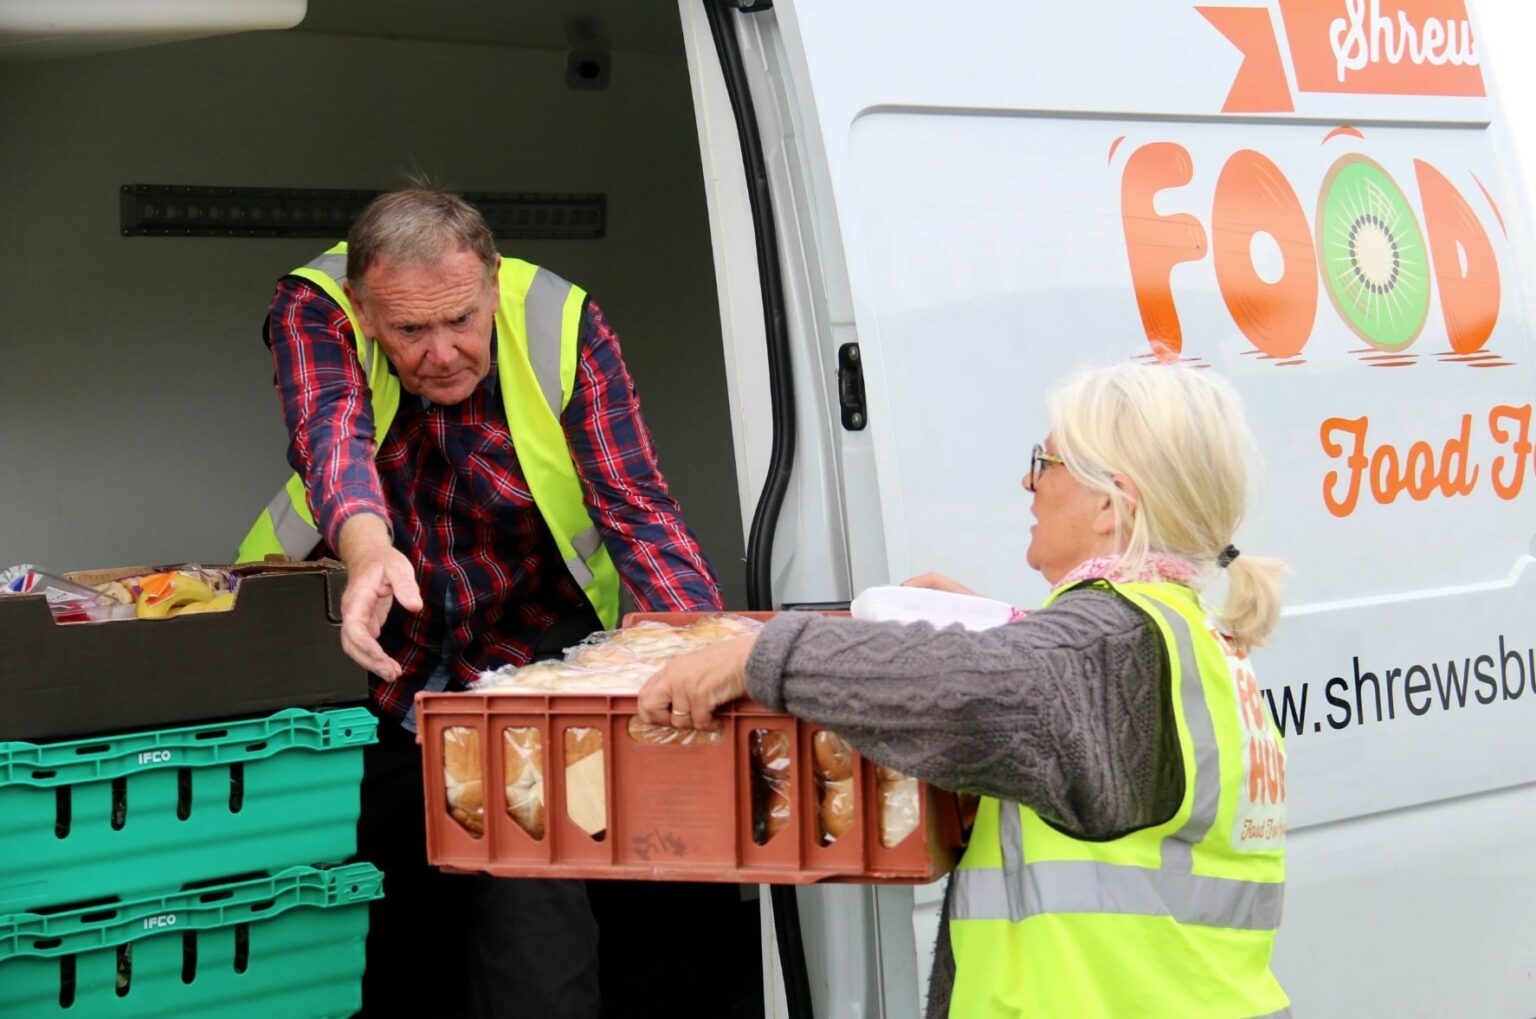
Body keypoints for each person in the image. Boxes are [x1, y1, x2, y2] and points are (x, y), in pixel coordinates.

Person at [638, 362, 1292, 1018]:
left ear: (1110, 503)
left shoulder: (1106, 647)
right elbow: (1085, 711)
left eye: (1047, 461)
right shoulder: (1188, 633)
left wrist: (761, 653)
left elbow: (965, 695)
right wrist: (1008, 629)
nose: (1028, 481)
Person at [240, 187, 728, 1017]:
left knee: (536, 906)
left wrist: (714, 650)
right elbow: (330, 429)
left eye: (461, 321)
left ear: (493, 283)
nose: (440, 354)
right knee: (357, 904)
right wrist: (366, 549)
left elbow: (638, 508)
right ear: (364, 310)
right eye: (408, 331)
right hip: (370, 645)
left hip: (529, 653)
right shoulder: (315, 305)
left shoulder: (563, 322)